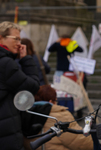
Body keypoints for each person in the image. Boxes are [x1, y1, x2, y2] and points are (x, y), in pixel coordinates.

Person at [0, 21, 40, 150]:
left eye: (20, 39)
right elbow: (33, 86)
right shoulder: (6, 63)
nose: (19, 44)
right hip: (6, 133)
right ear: (1, 38)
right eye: (15, 39)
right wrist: (26, 59)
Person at [22, 85, 93, 150]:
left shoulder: (25, 113)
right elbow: (82, 143)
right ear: (51, 101)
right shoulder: (60, 115)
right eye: (56, 100)